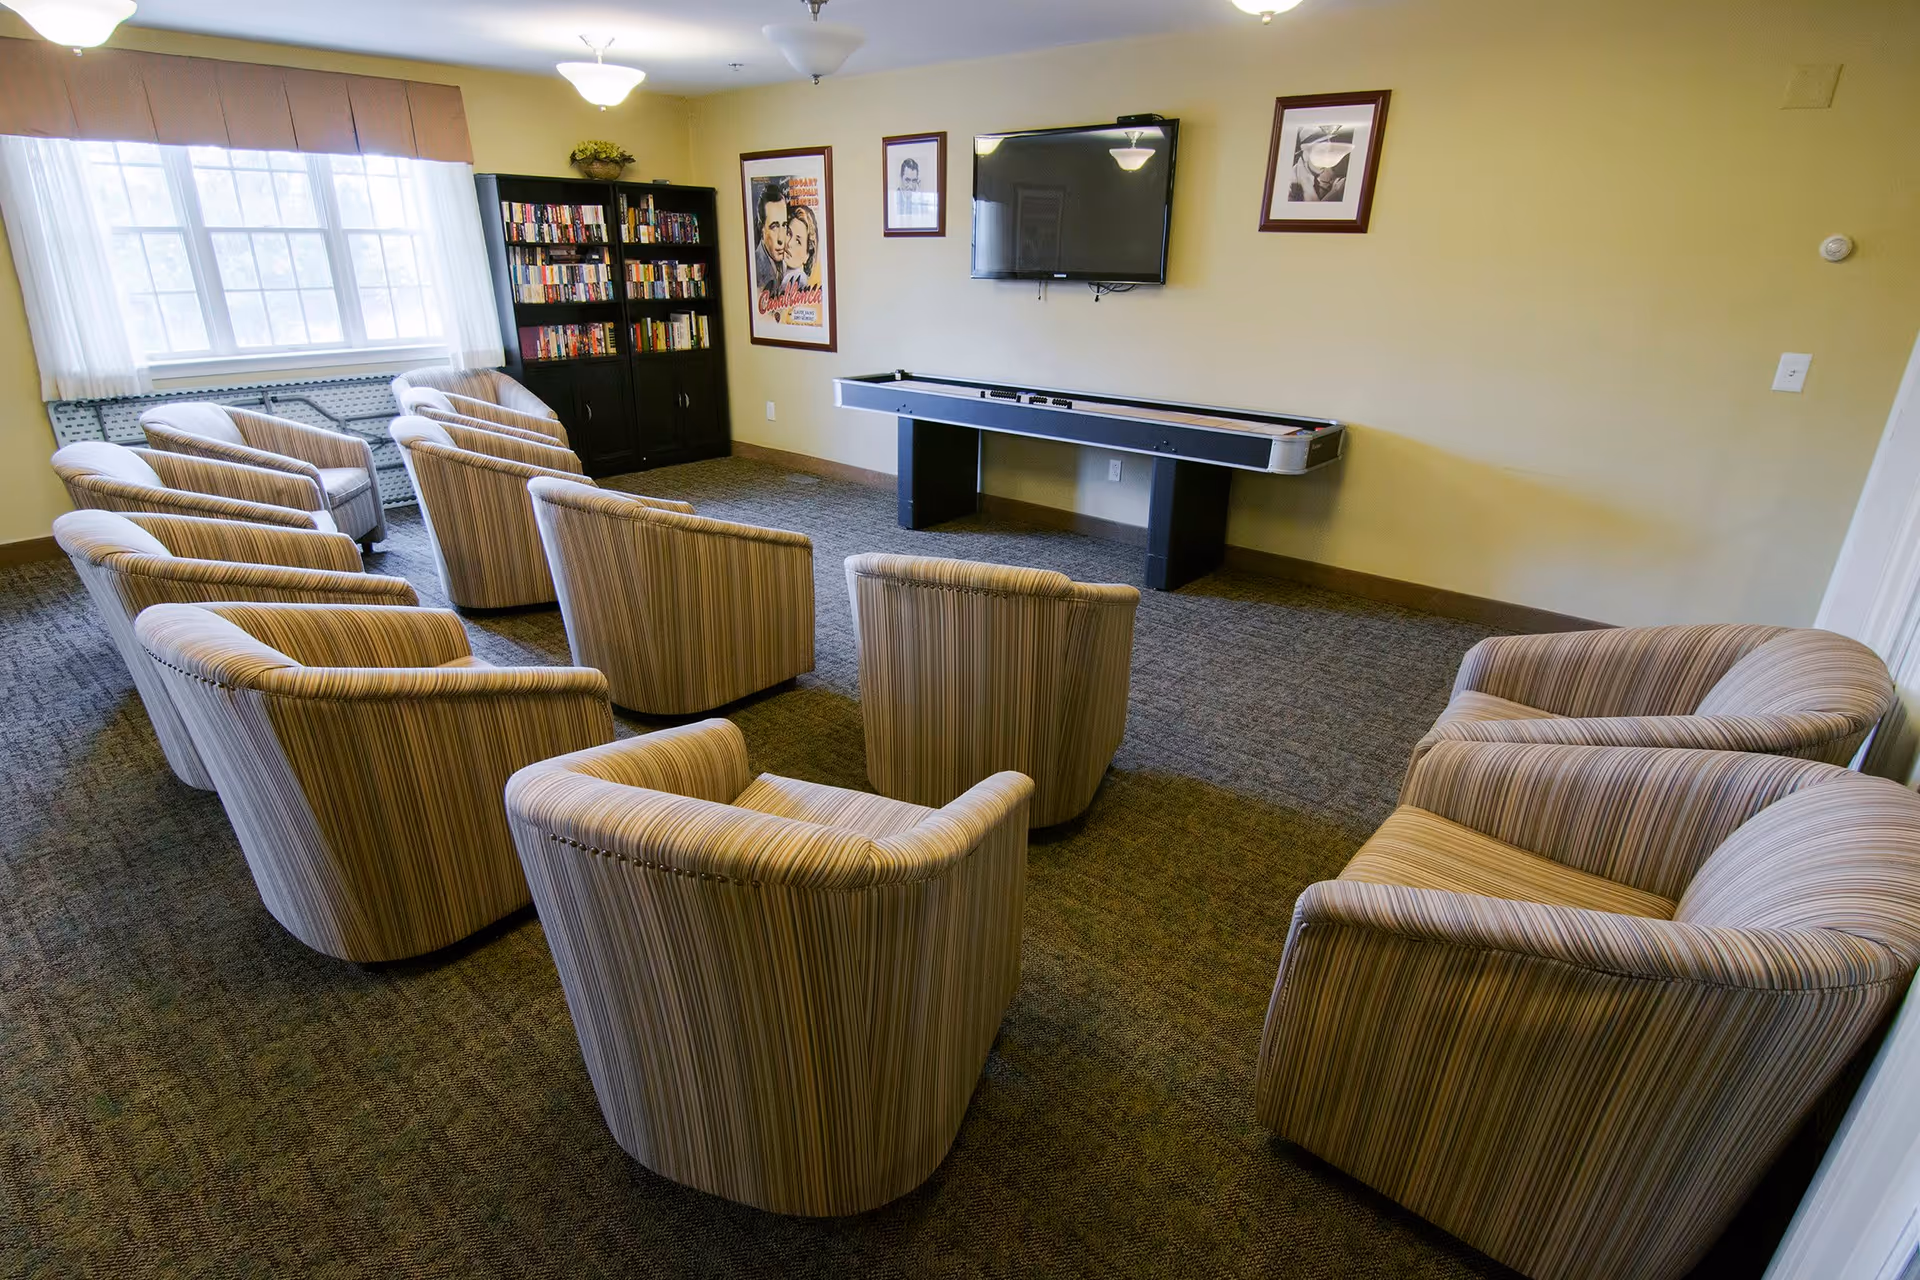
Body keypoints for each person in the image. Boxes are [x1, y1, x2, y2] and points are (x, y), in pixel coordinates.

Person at [752, 179, 789, 295]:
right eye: (774, 226)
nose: (781, 239)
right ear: (761, 228)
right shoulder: (756, 270)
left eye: (784, 225)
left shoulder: (788, 264)